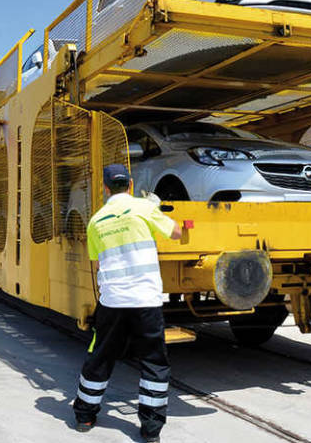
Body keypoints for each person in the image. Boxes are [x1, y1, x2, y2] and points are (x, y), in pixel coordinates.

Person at [73, 163, 182, 442]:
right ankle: (151, 429)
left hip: (113, 302)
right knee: (153, 362)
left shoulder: (96, 221)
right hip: (146, 300)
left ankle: (85, 416)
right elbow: (177, 233)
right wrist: (155, 209)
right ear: (131, 185)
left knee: (100, 357)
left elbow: (97, 263)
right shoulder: (144, 209)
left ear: (105, 188)